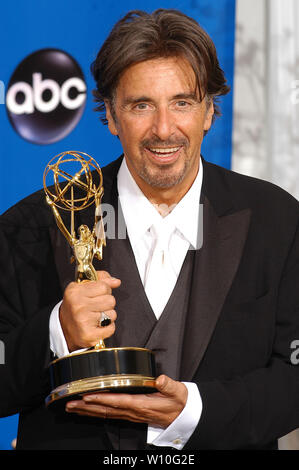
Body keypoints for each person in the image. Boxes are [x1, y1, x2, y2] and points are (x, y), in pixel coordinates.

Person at [0, 9, 299, 450]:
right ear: (112, 116)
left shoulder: (277, 219)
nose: (164, 129)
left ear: (209, 112)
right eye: (141, 105)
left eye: (182, 102)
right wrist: (55, 332)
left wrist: (196, 411)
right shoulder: (33, 223)